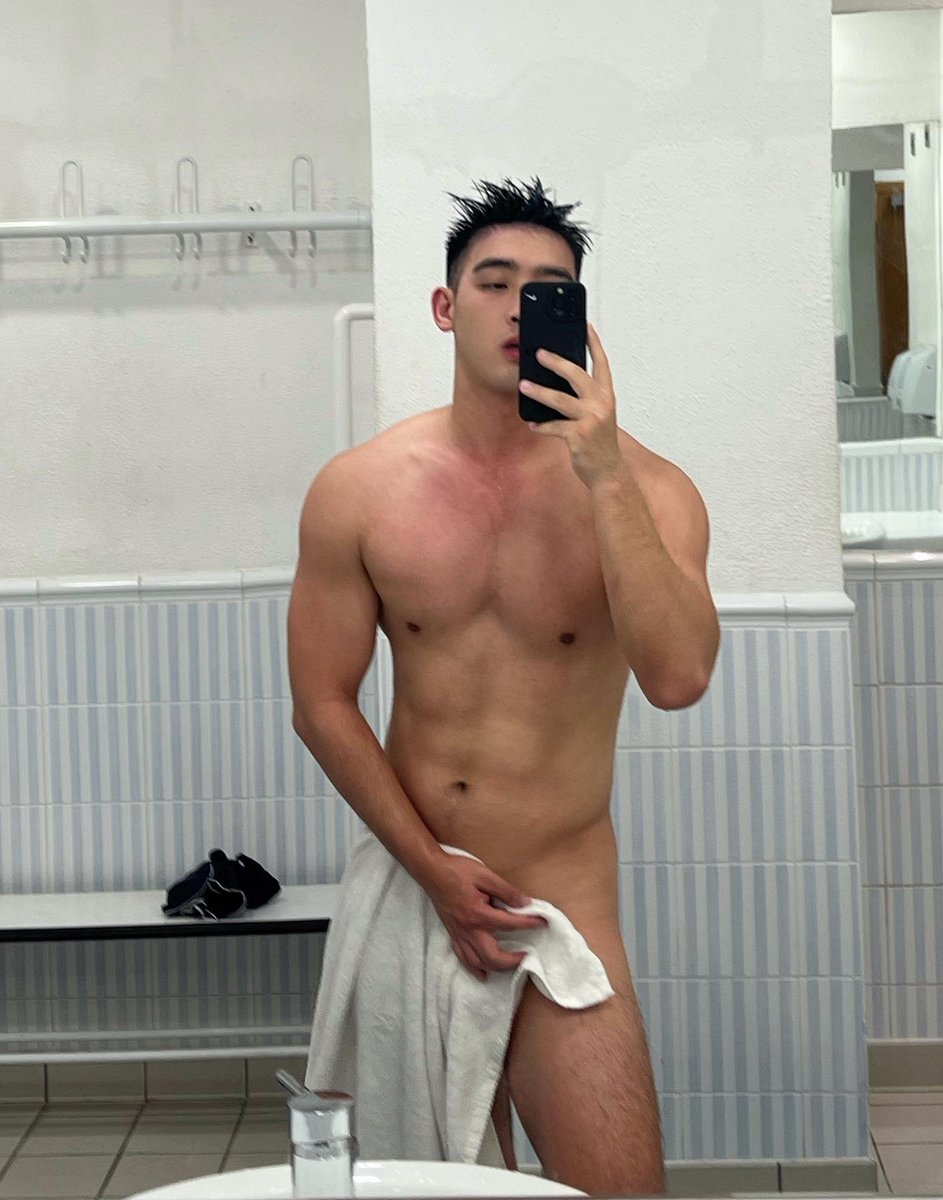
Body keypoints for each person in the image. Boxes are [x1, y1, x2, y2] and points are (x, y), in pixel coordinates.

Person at [288, 177, 720, 1196]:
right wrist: (433, 870)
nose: (521, 307)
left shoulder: (651, 490)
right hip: (416, 885)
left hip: (557, 899)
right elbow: (322, 703)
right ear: (447, 307)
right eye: (494, 283)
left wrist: (602, 471)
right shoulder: (359, 490)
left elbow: (677, 678)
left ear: (579, 311)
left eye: (548, 288)